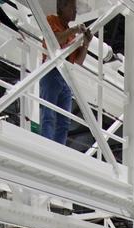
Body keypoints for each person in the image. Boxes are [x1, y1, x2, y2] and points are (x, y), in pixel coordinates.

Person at [40, 0, 91, 146]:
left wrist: (86, 44)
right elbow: (53, 41)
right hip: (52, 72)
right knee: (48, 114)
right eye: (72, 8)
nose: (75, 11)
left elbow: (78, 62)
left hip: (66, 76)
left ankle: (59, 148)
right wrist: (74, 30)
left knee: (64, 120)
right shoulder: (51, 20)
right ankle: (46, 145)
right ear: (62, 7)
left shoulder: (70, 32)